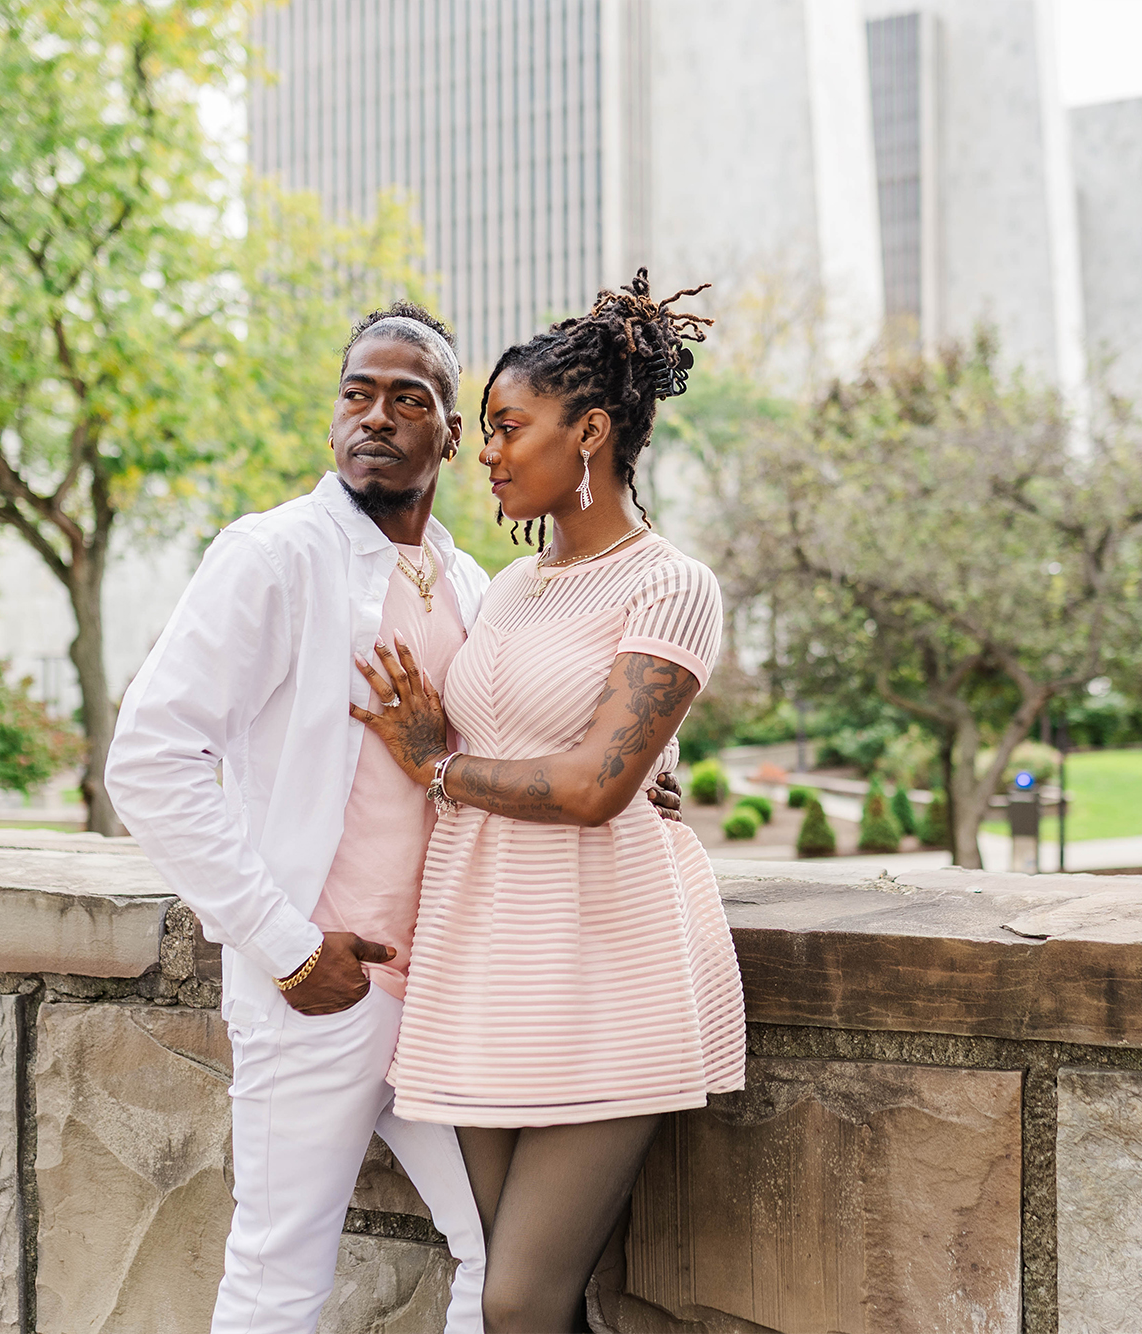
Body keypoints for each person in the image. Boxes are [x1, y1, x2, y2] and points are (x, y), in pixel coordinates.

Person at [108, 302, 680, 1334]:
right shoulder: (272, 554)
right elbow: (148, 760)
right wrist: (285, 946)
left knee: (496, 1261)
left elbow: (524, 734)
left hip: (453, 998)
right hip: (318, 986)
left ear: (452, 435)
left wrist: (643, 769)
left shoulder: (472, 584)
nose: (375, 414)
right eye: (355, 393)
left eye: (408, 398)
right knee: (279, 1271)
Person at [351, 271, 746, 1333]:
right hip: (486, 962)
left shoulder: (669, 583)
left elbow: (590, 785)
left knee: (522, 1301)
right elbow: (532, 740)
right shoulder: (507, 587)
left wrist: (437, 764)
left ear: (590, 430)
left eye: (505, 426)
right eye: (482, 429)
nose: (482, 450)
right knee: (510, 1292)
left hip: (608, 961)